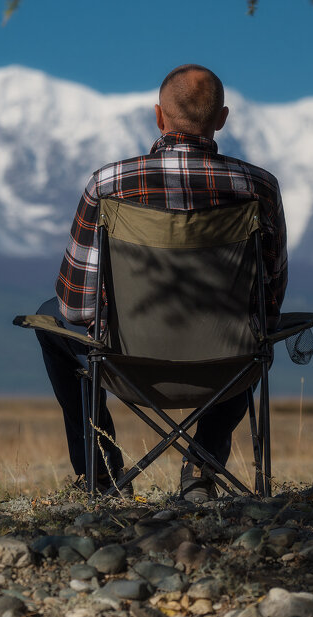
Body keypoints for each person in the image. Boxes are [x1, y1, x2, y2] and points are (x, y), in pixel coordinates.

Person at [34, 64, 288, 502]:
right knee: (254, 333)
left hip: (126, 367)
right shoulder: (258, 188)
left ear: (158, 116)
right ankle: (201, 468)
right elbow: (268, 304)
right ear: (222, 118)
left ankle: (101, 470)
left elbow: (77, 310)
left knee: (46, 318)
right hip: (226, 371)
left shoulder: (108, 185)